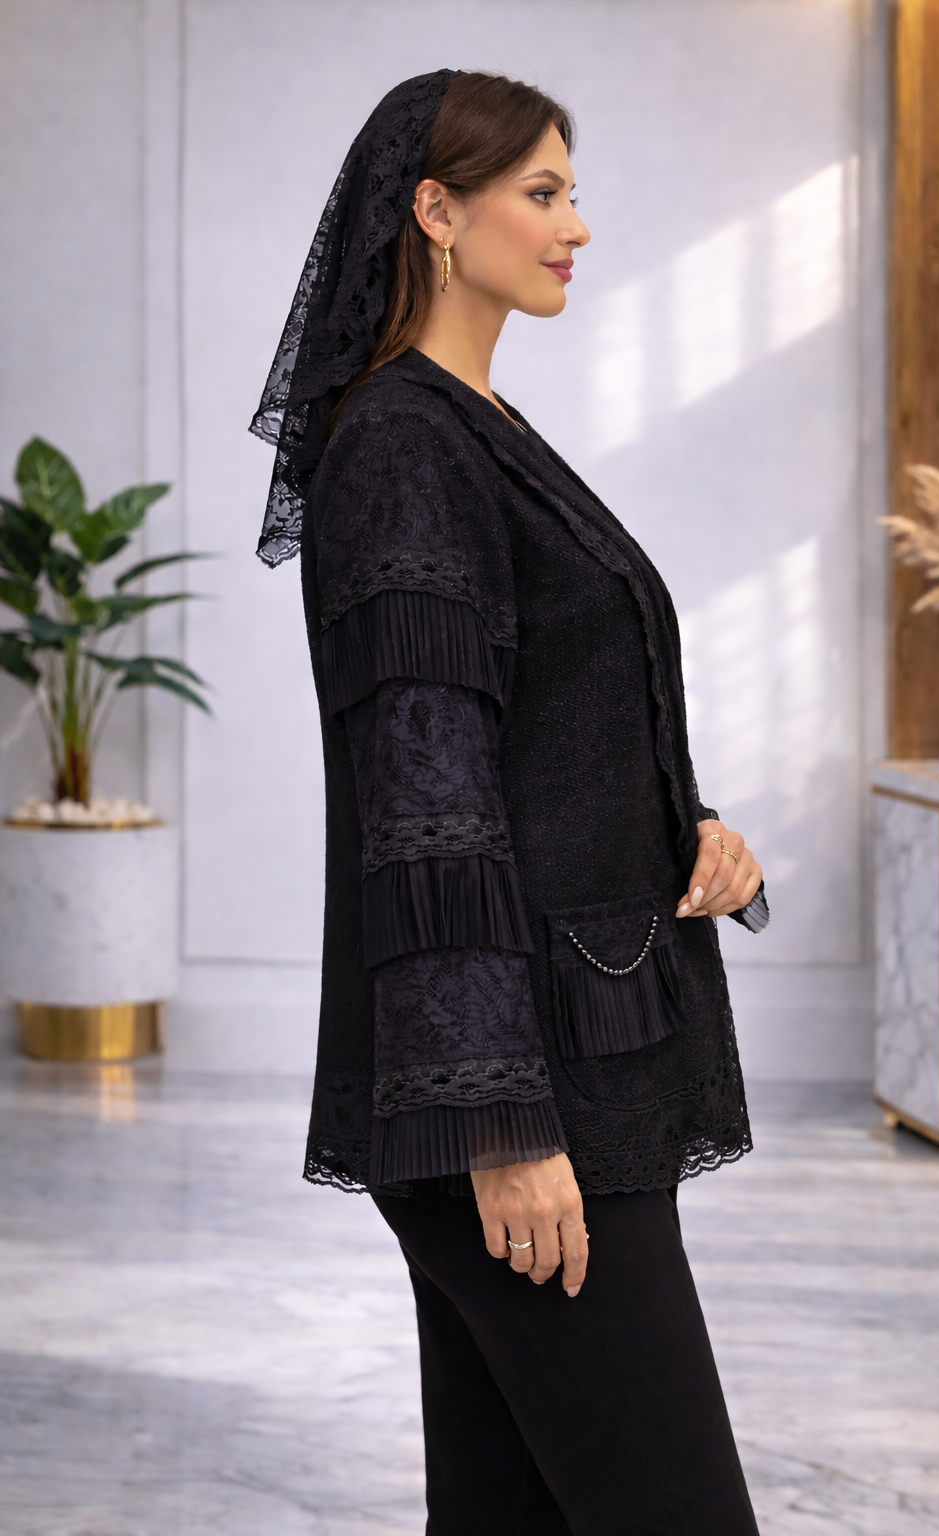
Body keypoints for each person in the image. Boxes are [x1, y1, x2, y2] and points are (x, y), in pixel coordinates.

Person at [252, 68, 767, 1536]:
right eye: (542, 193)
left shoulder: (474, 426)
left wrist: (691, 833)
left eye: (572, 193)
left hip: (560, 1070)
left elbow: (537, 740)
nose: (576, 227)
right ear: (435, 208)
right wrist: (498, 1128)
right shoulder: (405, 446)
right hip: (524, 1104)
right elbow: (428, 803)